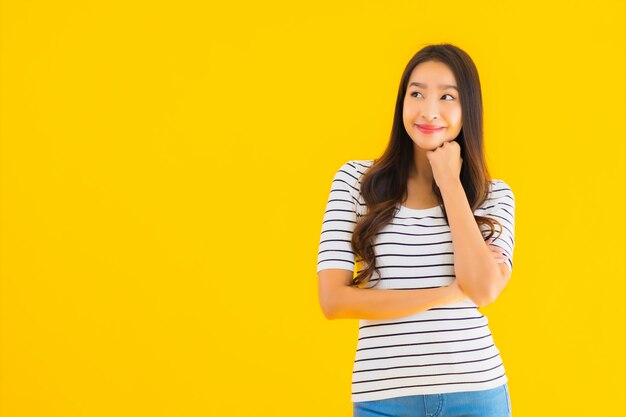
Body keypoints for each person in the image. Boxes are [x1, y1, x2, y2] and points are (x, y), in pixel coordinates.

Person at [316, 43, 515, 417]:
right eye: (417, 93)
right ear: (402, 103)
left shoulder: (492, 195)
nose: (429, 110)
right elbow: (333, 301)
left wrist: (450, 184)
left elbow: (485, 290)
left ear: (466, 109)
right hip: (383, 399)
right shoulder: (355, 181)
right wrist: (449, 292)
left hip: (475, 392)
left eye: (447, 96)